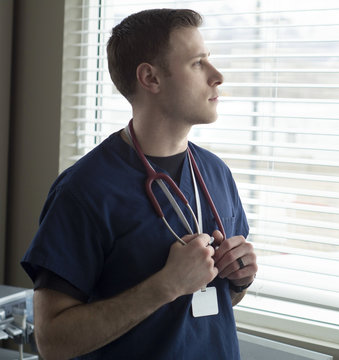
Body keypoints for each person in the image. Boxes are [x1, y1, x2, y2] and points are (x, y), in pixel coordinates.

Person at [21, 8, 257, 360]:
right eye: (197, 63)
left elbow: (216, 298)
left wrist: (238, 279)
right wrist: (166, 285)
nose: (217, 76)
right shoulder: (84, 191)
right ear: (150, 78)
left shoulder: (215, 172)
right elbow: (53, 342)